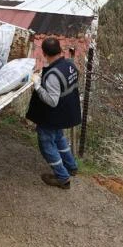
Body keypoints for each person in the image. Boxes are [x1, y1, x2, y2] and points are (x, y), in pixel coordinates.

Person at [26, 37, 82, 189]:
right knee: (59, 138)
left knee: (47, 145)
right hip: (66, 114)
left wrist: (37, 85)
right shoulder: (70, 65)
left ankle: (63, 178)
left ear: (44, 53)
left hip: (52, 117)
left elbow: (52, 101)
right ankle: (71, 167)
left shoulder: (52, 75)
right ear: (60, 50)